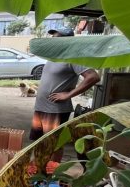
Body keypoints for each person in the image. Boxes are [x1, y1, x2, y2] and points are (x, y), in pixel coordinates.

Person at [31, 27, 100, 159]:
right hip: (41, 107)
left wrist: (68, 95)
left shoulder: (73, 57)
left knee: (54, 144)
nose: (52, 40)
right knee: (40, 142)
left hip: (55, 109)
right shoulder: (54, 57)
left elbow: (93, 77)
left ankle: (51, 176)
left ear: (66, 40)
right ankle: (39, 173)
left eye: (56, 38)